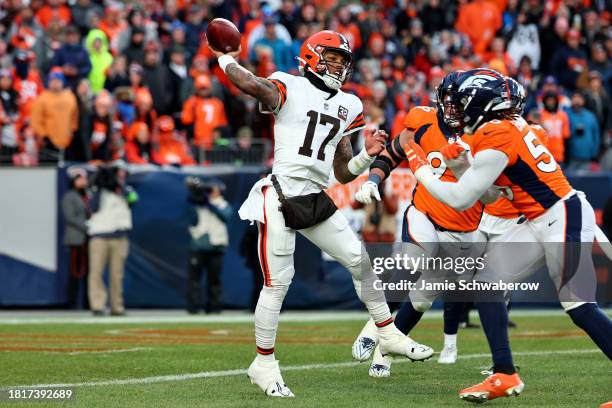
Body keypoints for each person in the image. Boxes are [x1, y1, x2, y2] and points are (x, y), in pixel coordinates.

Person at [210, 30, 433, 397]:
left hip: (315, 194)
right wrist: (225, 56)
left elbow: (344, 171)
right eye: (332, 57)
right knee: (278, 283)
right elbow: (250, 84)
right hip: (280, 193)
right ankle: (263, 364)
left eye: (344, 60)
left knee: (360, 262)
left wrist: (369, 154)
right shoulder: (289, 85)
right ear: (312, 56)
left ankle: (388, 333)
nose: (339, 65)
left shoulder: (350, 104)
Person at [400, 68, 612, 401]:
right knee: (487, 283)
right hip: (538, 219)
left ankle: (504, 372)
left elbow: (460, 198)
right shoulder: (504, 128)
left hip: (560, 213)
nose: (456, 109)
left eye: (463, 102)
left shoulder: (496, 132)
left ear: (484, 103)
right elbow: (491, 196)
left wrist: (418, 164)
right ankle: (504, 374)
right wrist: (461, 169)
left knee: (579, 306)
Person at [352, 72, 495, 376]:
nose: (455, 108)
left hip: (465, 230)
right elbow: (392, 153)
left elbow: (494, 193)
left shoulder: (485, 134)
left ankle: (384, 355)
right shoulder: (422, 120)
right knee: (413, 262)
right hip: (425, 215)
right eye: (450, 102)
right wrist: (373, 180)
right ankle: (371, 326)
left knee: (420, 300)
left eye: (462, 103)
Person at [87, 162, 138, 316]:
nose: (120, 173)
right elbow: (93, 207)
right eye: (117, 171)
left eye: (123, 171)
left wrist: (118, 186)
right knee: (96, 272)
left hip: (119, 237)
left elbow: (133, 199)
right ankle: (98, 305)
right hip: (100, 236)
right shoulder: (98, 189)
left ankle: (117, 306)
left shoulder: (126, 190)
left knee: (117, 274)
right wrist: (101, 183)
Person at [185, 177, 232, 314]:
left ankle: (214, 307)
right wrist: (195, 197)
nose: (211, 191)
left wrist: (209, 204)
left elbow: (225, 216)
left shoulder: (224, 204)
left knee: (214, 280)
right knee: (194, 280)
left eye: (213, 189)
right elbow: (191, 219)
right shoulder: (198, 203)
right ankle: (194, 307)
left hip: (216, 247)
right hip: (198, 247)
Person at [30, 69, 78, 163]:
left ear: (62, 82)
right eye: (53, 81)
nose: (55, 83)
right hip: (48, 142)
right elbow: (36, 120)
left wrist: (73, 131)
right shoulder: (42, 98)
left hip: (67, 141)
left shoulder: (70, 96)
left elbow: (74, 116)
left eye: (58, 81)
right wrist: (44, 136)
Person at [61, 168, 90, 309]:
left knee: (88, 272)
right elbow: (70, 217)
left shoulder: (88, 195)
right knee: (75, 271)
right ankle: (73, 302)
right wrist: (87, 225)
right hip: (76, 239)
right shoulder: (70, 196)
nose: (83, 181)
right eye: (80, 179)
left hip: (88, 239)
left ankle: (87, 302)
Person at [566, 91, 600, 170]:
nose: (577, 101)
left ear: (583, 101)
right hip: (570, 157)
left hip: (587, 157)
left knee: (586, 181)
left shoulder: (590, 116)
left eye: (579, 98)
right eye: (575, 98)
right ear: (571, 100)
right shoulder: (566, 115)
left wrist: (594, 153)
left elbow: (596, 135)